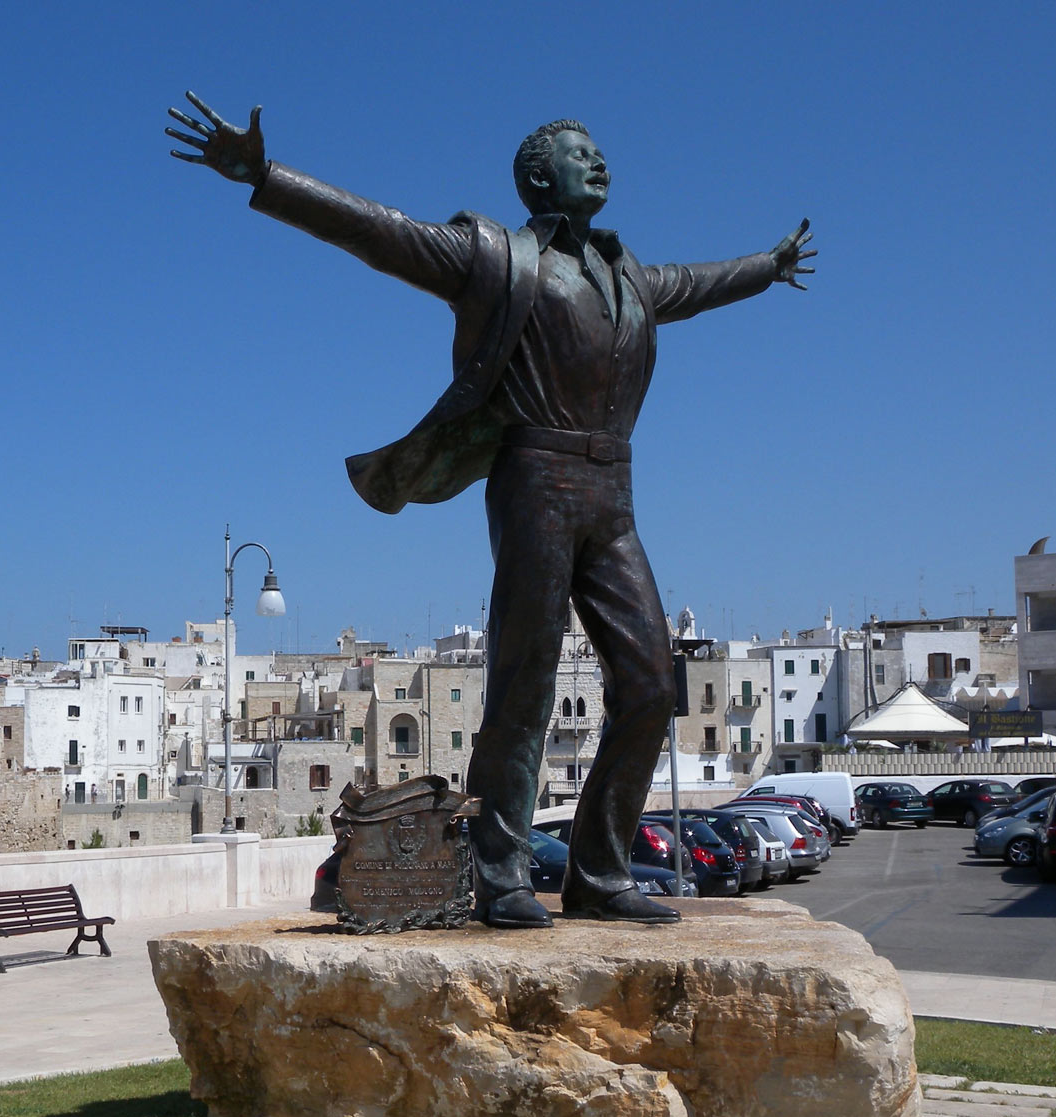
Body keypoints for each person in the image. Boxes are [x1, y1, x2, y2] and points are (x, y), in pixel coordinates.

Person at [169, 94, 814, 927]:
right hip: (535, 478)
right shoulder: (498, 259)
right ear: (541, 178)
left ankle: (599, 870)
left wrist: (767, 264)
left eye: (598, 149)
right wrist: (266, 175)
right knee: (524, 681)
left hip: (613, 494)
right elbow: (382, 234)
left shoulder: (630, 278)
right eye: (583, 153)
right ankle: (501, 868)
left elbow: (702, 284)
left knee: (652, 680)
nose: (601, 161)